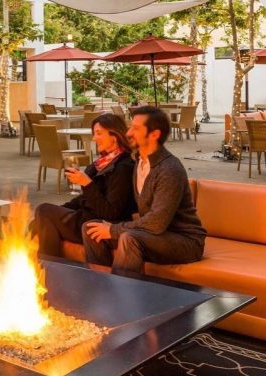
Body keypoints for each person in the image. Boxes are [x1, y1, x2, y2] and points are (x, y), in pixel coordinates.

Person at [82, 106, 205, 277]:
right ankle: (99, 284)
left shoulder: (169, 169)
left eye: (136, 129)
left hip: (185, 241)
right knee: (91, 228)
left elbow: (156, 223)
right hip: (153, 235)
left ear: (154, 134)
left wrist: (114, 230)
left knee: (129, 237)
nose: (129, 133)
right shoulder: (139, 163)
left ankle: (122, 297)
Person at [32, 113, 136, 257]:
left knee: (43, 210)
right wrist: (61, 209)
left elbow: (111, 212)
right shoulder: (102, 163)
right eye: (94, 134)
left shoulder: (123, 168)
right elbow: (84, 199)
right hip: (85, 216)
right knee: (43, 213)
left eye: (99, 133)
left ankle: (47, 265)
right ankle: (47, 264)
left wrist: (87, 183)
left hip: (97, 224)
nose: (94, 138)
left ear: (115, 135)